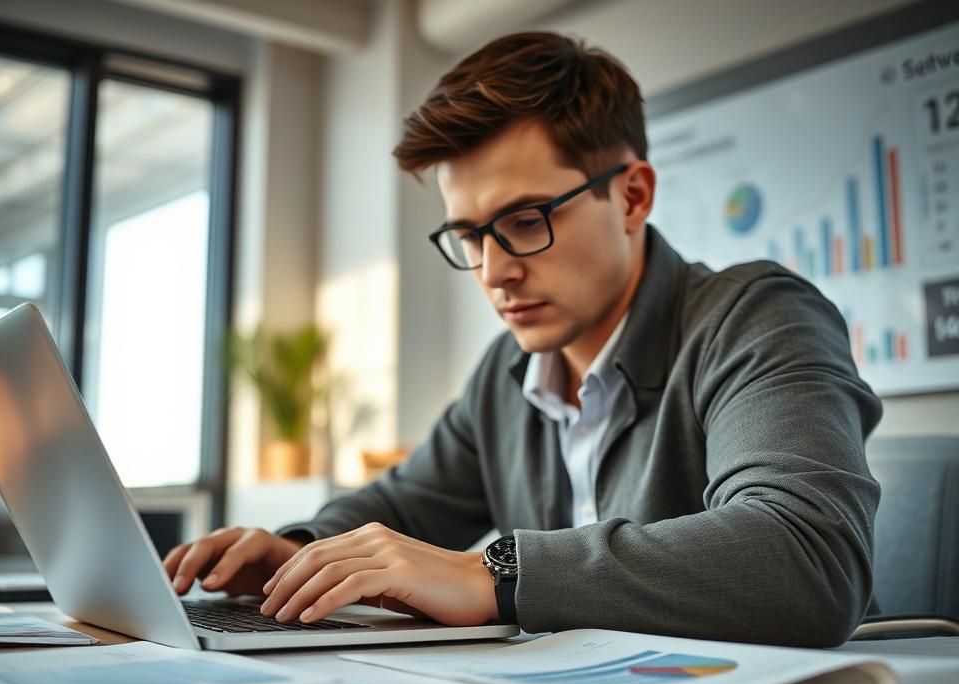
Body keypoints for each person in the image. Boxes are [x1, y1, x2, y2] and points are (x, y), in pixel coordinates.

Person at [164, 32, 882, 647]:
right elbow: (405, 506)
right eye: (469, 234)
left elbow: (805, 556)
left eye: (527, 217)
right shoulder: (512, 371)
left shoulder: (757, 316)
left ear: (631, 196)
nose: (496, 271)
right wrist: (300, 552)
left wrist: (494, 573)